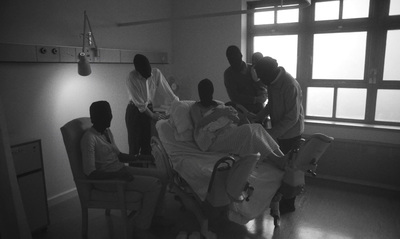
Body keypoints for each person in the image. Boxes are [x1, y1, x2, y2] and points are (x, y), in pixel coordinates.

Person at [81, 101, 168, 233]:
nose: (110, 117)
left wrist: (140, 157)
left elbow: (119, 156)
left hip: (120, 170)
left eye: (110, 113)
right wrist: (117, 175)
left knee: (162, 175)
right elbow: (90, 173)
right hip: (108, 180)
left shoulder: (106, 132)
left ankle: (156, 216)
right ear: (95, 118)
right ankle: (141, 226)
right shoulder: (89, 138)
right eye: (106, 114)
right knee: (154, 185)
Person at [190, 78, 290, 170]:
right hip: (213, 139)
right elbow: (198, 124)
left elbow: (233, 118)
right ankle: (277, 160)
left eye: (209, 92)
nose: (208, 95)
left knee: (257, 127)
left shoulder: (217, 104)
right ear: (200, 93)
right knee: (248, 131)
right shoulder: (196, 107)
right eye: (205, 92)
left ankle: (281, 156)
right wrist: (219, 113)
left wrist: (232, 115)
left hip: (228, 129)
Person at [254, 56, 305, 214]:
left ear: (269, 73)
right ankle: (277, 200)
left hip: (291, 133)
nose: (261, 80)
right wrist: (258, 116)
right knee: (278, 168)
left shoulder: (289, 84)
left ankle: (288, 204)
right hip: (280, 132)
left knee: (289, 170)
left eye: (261, 76)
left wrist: (271, 134)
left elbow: (292, 117)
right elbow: (271, 104)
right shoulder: (272, 82)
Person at [125, 54, 178, 159]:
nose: (147, 77)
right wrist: (153, 115)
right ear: (137, 71)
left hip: (149, 108)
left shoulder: (156, 73)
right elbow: (140, 105)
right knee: (135, 145)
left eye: (148, 75)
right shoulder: (131, 78)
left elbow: (168, 92)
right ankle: (136, 172)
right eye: (144, 76)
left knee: (147, 145)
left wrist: (178, 105)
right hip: (135, 110)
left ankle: (148, 172)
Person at [224, 46, 268, 116]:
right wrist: (255, 99)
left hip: (260, 111)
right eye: (230, 60)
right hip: (242, 113)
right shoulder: (229, 74)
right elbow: (234, 97)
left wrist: (263, 95)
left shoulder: (253, 68)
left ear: (241, 56)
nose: (234, 63)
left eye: (235, 59)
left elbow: (264, 86)